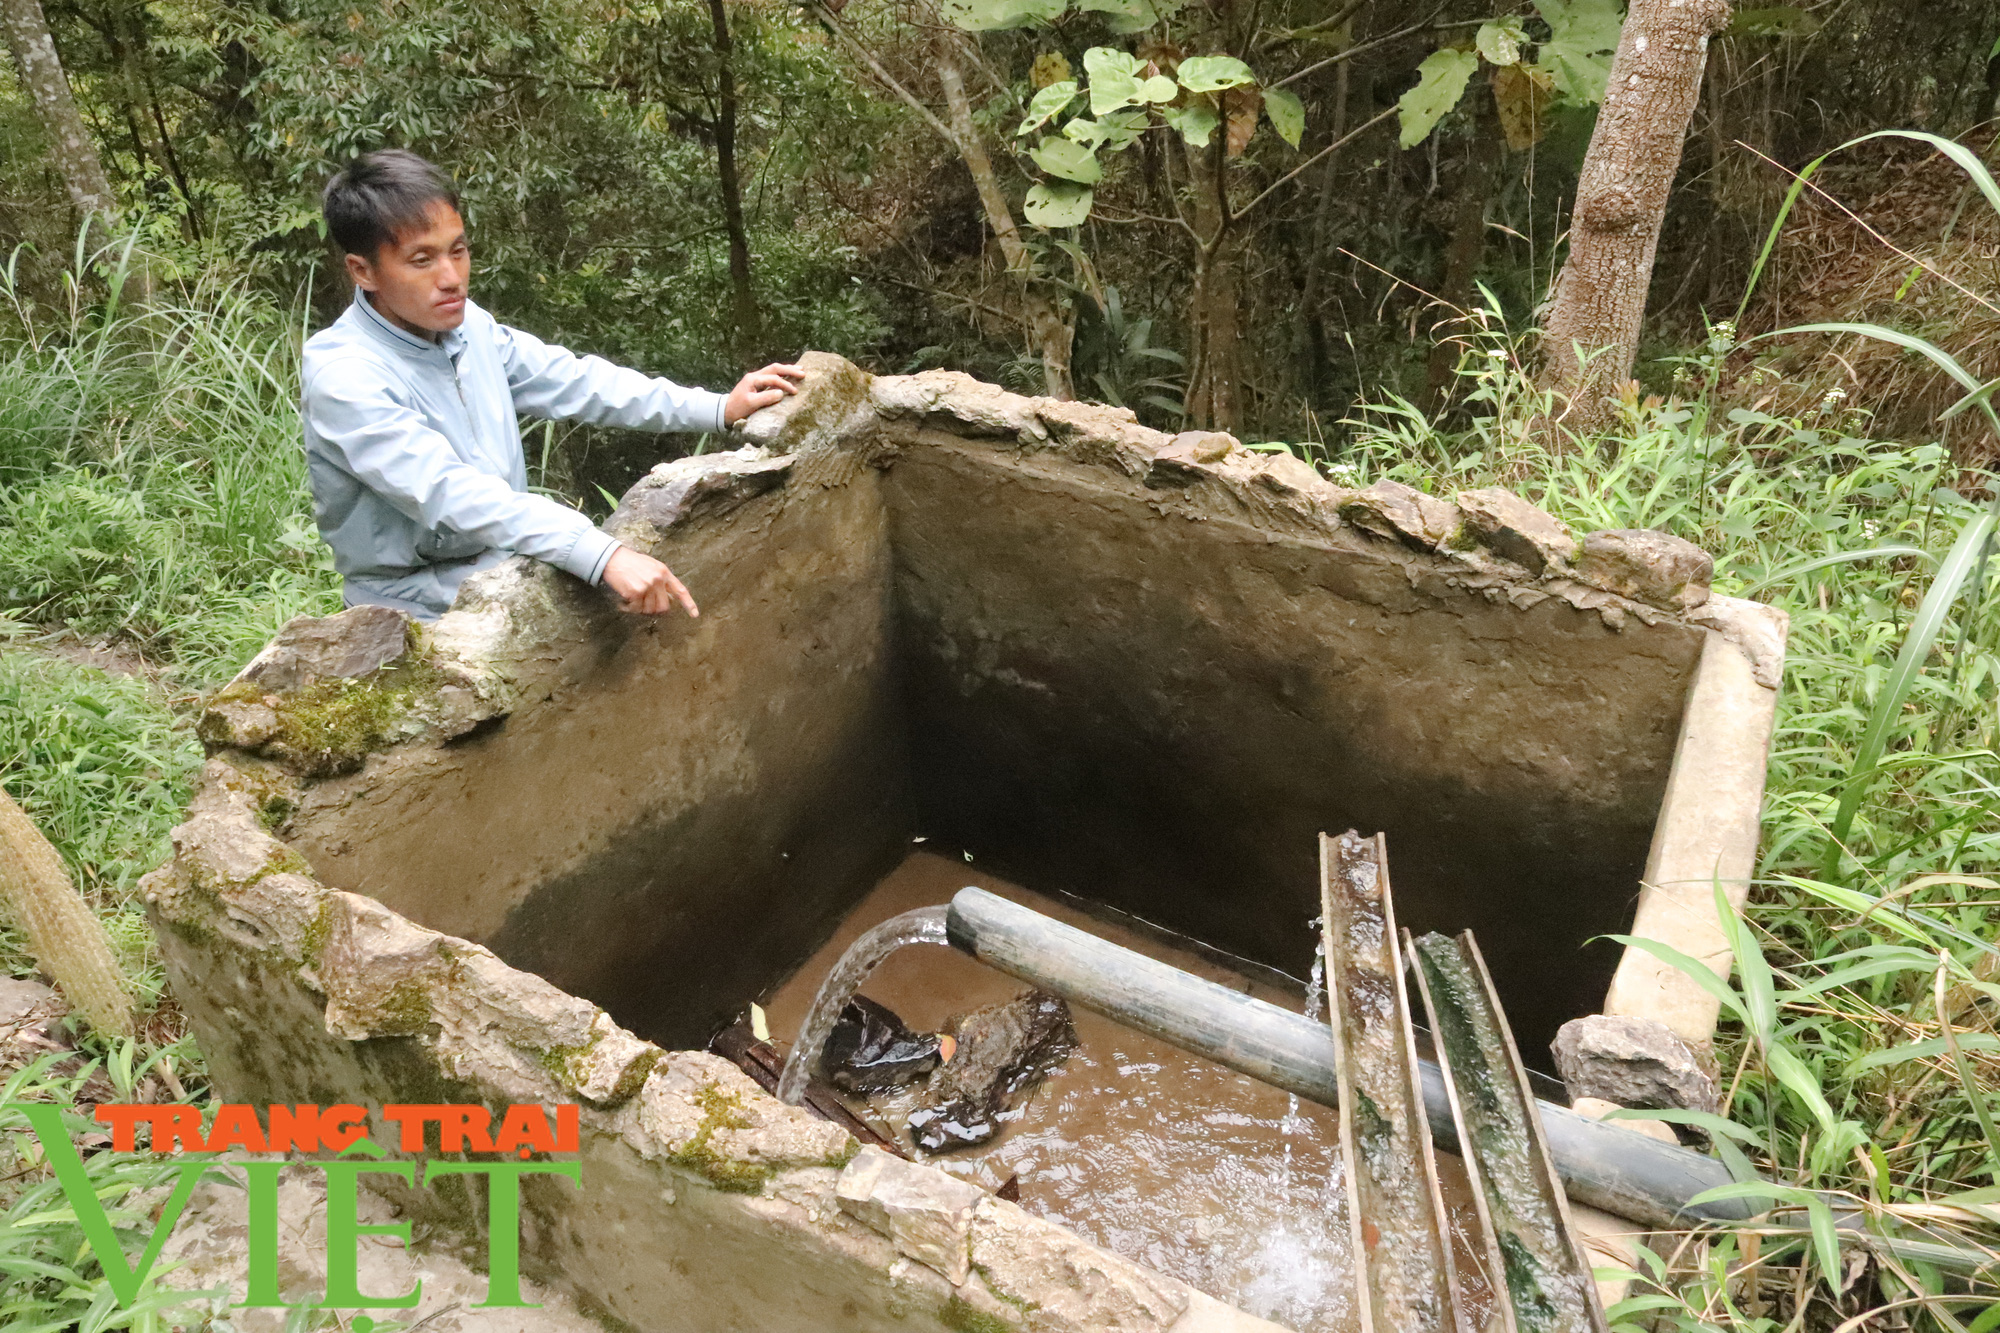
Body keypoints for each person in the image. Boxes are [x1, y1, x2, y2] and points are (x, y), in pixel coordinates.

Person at [302, 149, 802, 621]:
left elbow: (575, 381)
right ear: (362, 270)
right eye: (422, 260)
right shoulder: (346, 376)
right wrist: (598, 552)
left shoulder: (466, 327)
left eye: (458, 250)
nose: (451, 277)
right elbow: (448, 491)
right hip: (412, 606)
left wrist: (717, 408)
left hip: (503, 562)